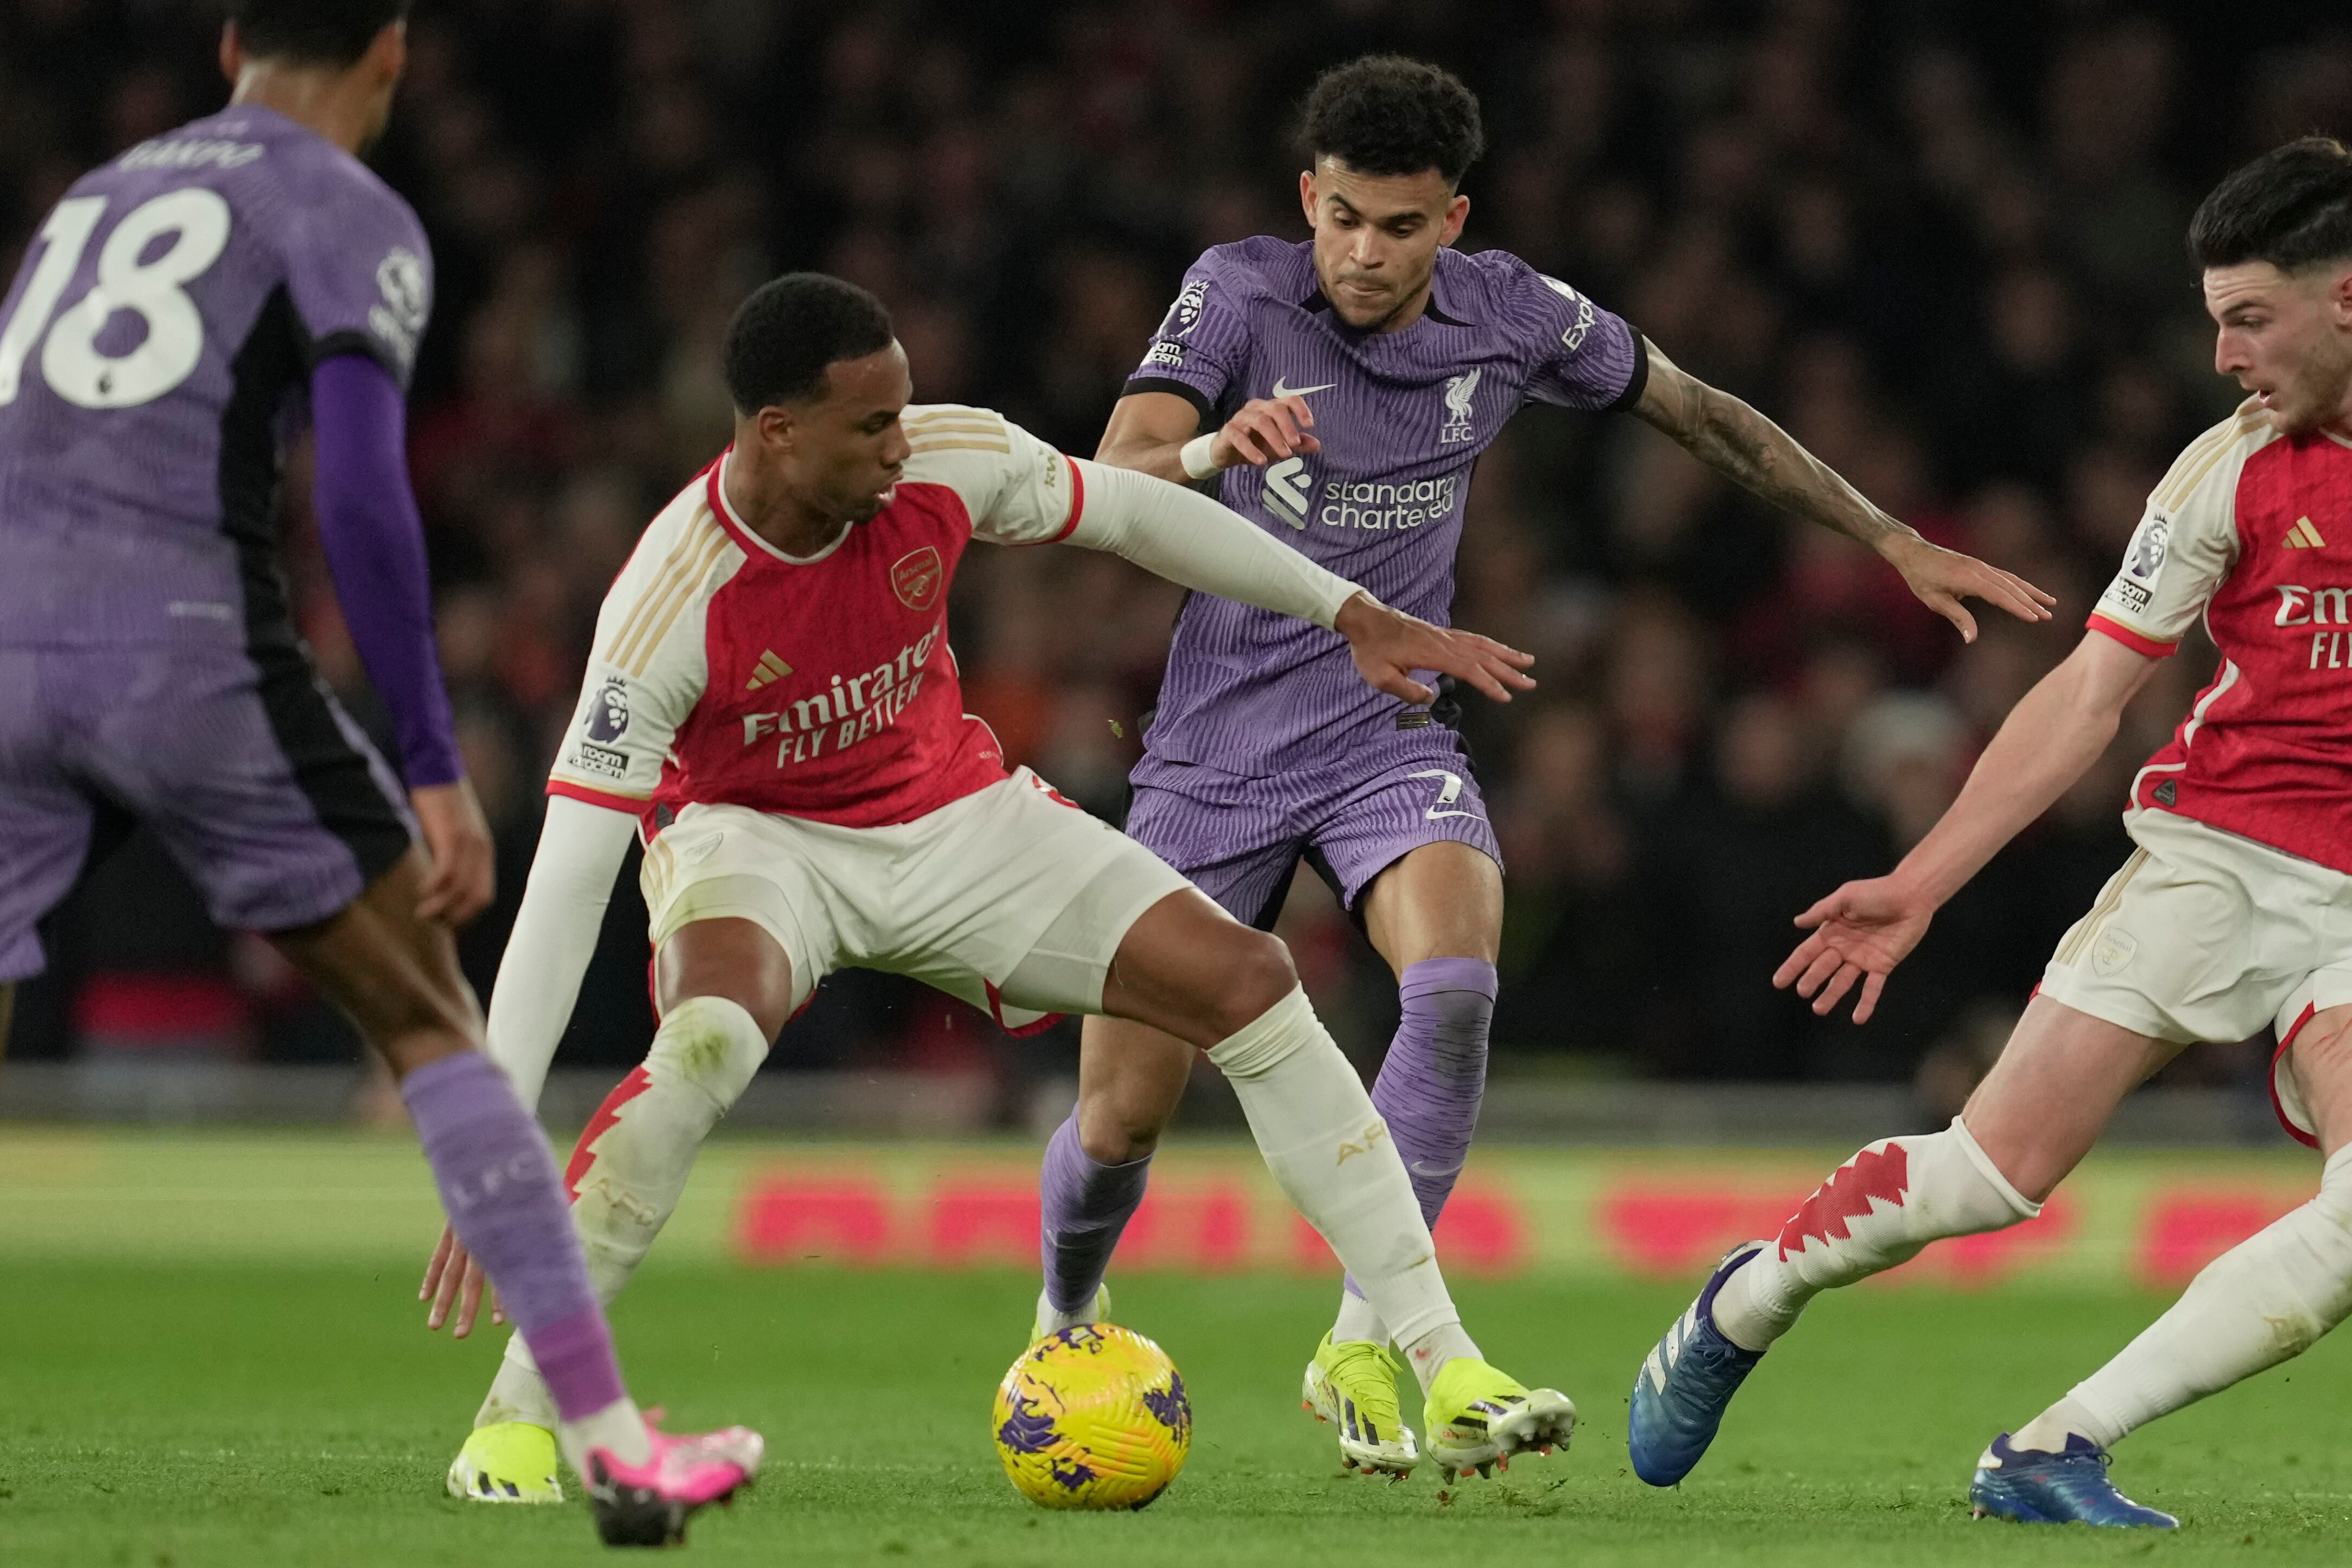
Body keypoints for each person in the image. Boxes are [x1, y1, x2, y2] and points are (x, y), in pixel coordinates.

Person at [1049, 54, 2054, 1477]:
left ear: (1452, 220)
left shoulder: (1515, 313)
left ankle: (1363, 1340)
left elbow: (1702, 411)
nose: (1364, 253)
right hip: (1212, 750)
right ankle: (1065, 1315)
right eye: (1341, 218)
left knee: (1454, 987)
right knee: (1118, 1119)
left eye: (1399, 227)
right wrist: (1217, 445)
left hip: (1384, 728)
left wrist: (1887, 536)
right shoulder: (1236, 290)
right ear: (1305, 202)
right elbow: (1107, 476)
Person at [431, 271, 1575, 1502]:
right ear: (777, 431)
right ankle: (515, 1419)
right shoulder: (670, 601)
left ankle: (1444, 1361)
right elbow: (567, 874)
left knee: (1250, 979)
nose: (898, 443)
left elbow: (1134, 516)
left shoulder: (943, 458)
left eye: (903, 412)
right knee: (707, 1041)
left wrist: (1344, 607)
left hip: (952, 813)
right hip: (755, 843)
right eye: (870, 426)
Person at [0, 0, 757, 1546]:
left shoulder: (95, 198)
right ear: (394, 55)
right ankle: (611, 1445)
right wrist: (426, 755)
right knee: (431, 1023)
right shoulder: (349, 212)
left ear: (228, 47)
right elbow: (356, 488)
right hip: (184, 646)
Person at [1627, 137, 2352, 1530]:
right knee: (1987, 1177)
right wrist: (1921, 881)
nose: (2222, 359)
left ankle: (2054, 1448)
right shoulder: (2230, 474)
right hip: (2218, 860)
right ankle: (1750, 1292)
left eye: (2248, 321)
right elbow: (2090, 692)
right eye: (2213, 323)